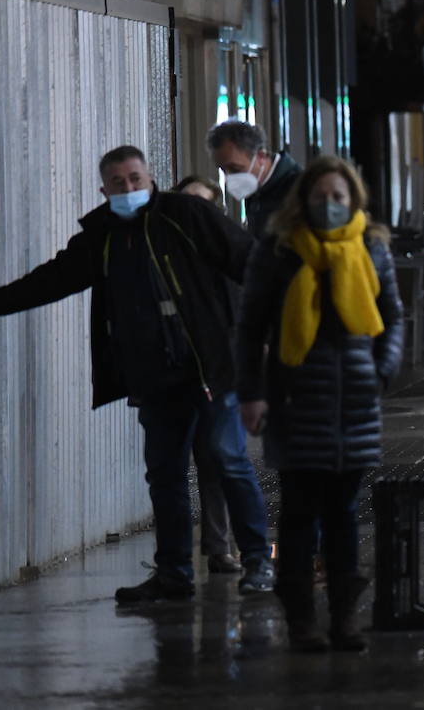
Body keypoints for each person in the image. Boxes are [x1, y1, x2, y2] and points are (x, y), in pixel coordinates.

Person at [0, 146, 275, 603]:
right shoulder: (102, 235)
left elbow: (249, 263)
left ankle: (258, 563)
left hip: (211, 367)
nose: (128, 189)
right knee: (164, 475)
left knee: (228, 459)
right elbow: (54, 278)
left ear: (150, 179)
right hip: (156, 378)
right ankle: (174, 573)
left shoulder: (185, 216)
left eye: (135, 179)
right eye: (118, 182)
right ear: (103, 189)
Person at [235, 156, 404, 652]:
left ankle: (345, 618)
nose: (329, 205)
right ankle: (302, 620)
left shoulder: (371, 248)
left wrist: (382, 370)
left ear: (353, 199)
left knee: (346, 514)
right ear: (302, 200)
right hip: (295, 398)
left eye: (338, 196)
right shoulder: (279, 250)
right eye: (320, 196)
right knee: (299, 514)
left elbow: (392, 315)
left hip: (355, 400)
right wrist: (252, 393)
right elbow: (249, 328)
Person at [170, 175, 241, 574]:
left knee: (217, 463)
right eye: (187, 205)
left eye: (204, 206)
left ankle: (220, 547)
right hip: (172, 374)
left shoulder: (226, 257)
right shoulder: (159, 254)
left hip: (216, 375)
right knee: (171, 469)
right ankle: (175, 561)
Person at [207, 119, 303, 240]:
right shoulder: (256, 187)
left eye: (235, 168)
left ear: (261, 156)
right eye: (222, 170)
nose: (229, 177)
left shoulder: (299, 188)